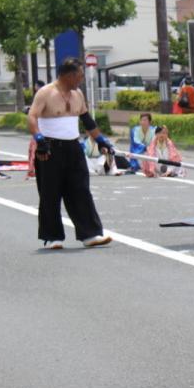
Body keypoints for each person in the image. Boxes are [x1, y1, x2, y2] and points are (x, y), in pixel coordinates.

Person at [27, 57, 113, 250]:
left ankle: (90, 234)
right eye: (79, 76)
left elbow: (87, 120)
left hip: (73, 147)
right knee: (50, 192)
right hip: (49, 148)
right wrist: (39, 139)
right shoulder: (46, 93)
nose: (81, 80)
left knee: (81, 190)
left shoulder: (78, 94)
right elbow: (32, 117)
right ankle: (52, 237)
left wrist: (100, 140)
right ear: (69, 75)